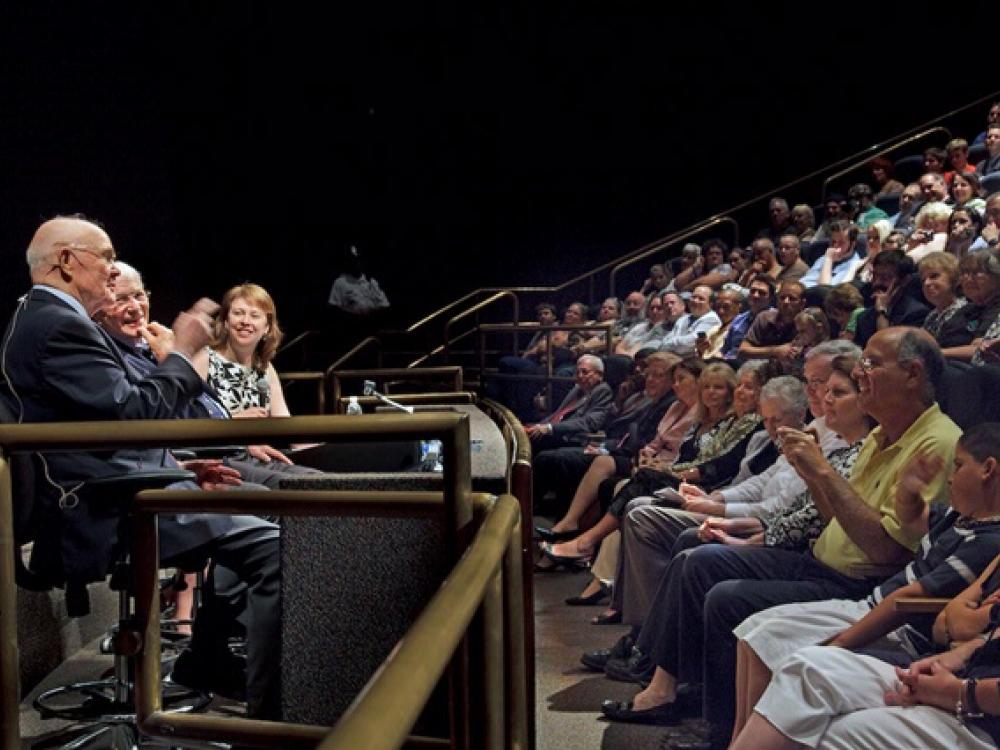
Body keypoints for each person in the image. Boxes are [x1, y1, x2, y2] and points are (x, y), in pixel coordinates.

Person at [602, 328, 962, 750]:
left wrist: (822, 472)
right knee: (699, 560)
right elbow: (835, 520)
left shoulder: (937, 442)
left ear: (913, 373)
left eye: (871, 364)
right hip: (822, 559)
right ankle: (681, 690)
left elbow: (887, 551)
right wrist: (812, 472)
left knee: (724, 595)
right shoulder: (883, 434)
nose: (863, 373)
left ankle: (718, 732)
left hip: (862, 583)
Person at [0, 216, 281, 718]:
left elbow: (108, 431)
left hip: (115, 490)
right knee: (274, 548)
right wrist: (183, 350)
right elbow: (135, 414)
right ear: (66, 261)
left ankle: (207, 661)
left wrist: (181, 470)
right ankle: (273, 719)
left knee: (260, 517)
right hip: (101, 511)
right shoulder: (57, 324)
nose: (114, 273)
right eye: (106, 258)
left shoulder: (43, 318)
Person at [731, 422, 1000, 743]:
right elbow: (913, 519)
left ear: (988, 469)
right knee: (755, 633)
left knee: (777, 648)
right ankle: (737, 739)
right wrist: (910, 488)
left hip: (901, 629)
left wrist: (844, 642)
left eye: (958, 466)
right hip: (898, 619)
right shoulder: (960, 518)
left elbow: (915, 597)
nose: (951, 478)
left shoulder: (989, 539)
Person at [203, 283, 290, 418]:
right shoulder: (204, 360)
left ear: (267, 327)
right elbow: (186, 421)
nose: (245, 321)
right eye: (238, 313)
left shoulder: (265, 368)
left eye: (254, 315)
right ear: (226, 321)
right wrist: (235, 422)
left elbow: (284, 421)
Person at [524, 354, 614, 451]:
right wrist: (540, 426)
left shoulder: (603, 390)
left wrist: (550, 428)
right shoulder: (577, 389)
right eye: (577, 372)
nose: (579, 376)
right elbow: (559, 413)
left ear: (599, 375)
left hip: (573, 438)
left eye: (585, 372)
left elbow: (589, 423)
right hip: (556, 431)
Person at [852, 250, 930, 348]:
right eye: (875, 276)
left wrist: (882, 312)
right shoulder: (864, 317)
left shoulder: (916, 314)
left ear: (905, 281)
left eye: (885, 278)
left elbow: (889, 349)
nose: (877, 283)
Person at [738, 280, 806, 362]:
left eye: (792, 299)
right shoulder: (764, 317)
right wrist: (776, 351)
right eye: (782, 297)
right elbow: (743, 350)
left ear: (802, 303)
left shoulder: (805, 325)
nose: (786, 302)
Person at [919, 252, 970, 353]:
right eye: (923, 279)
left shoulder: (965, 312)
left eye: (934, 276)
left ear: (954, 278)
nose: (926, 283)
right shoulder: (932, 315)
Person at [327, 244, 390, 315]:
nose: (356, 262)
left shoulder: (372, 282)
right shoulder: (340, 283)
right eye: (353, 259)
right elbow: (333, 308)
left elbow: (384, 305)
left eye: (358, 258)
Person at [660, 285, 721, 356]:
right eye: (694, 297)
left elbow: (690, 343)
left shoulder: (712, 319)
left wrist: (672, 342)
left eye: (701, 299)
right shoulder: (683, 318)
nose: (695, 301)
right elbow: (664, 342)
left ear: (710, 304)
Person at [800, 220, 863, 288]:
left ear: (853, 244)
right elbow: (806, 279)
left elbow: (825, 289)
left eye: (841, 242)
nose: (835, 246)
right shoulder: (824, 257)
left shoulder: (854, 265)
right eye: (833, 241)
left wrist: (828, 260)